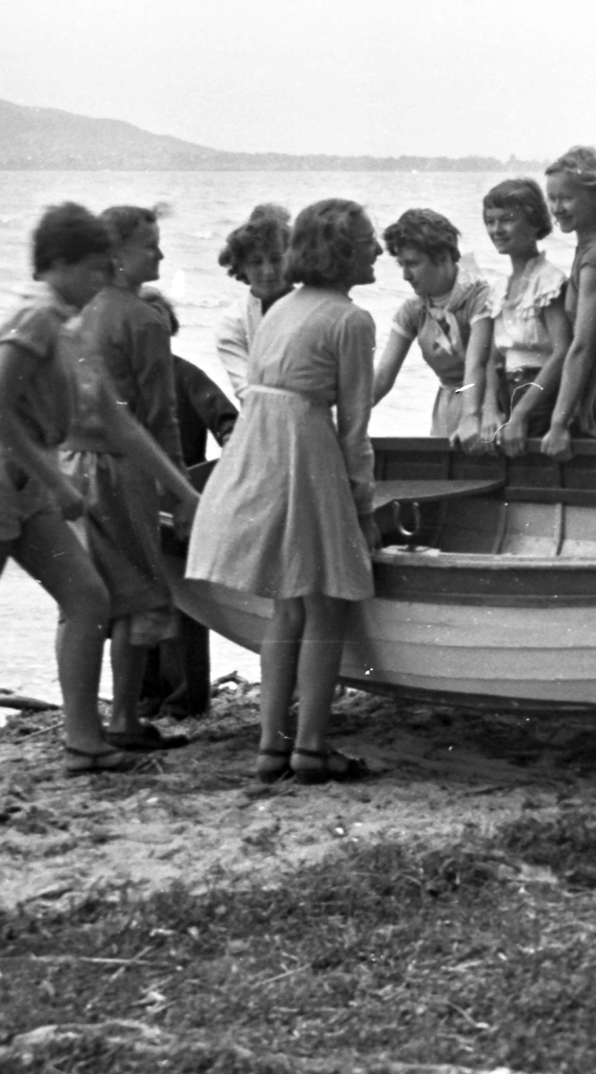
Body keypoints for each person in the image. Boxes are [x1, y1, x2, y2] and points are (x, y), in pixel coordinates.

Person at [185, 199, 384, 785]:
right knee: (326, 600)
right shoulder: (352, 320)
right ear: (345, 254)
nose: (376, 251)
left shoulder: (280, 309)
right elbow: (354, 429)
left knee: (286, 605)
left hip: (258, 448)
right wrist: (363, 508)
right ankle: (312, 747)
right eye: (369, 242)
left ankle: (272, 744)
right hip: (304, 451)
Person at [0, 203, 200, 774]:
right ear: (57, 263)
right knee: (88, 599)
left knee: (89, 598)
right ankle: (87, 736)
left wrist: (182, 492)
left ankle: (85, 740)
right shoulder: (36, 317)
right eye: (92, 269)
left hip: (30, 488)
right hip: (11, 484)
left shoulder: (70, 324)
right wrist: (54, 478)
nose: (100, 279)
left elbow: (117, 422)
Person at [63, 204, 187, 752]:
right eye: (150, 246)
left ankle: (84, 720)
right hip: (121, 468)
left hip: (69, 466)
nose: (160, 254)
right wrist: (181, 490)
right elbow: (160, 418)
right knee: (138, 591)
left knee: (88, 595)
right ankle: (125, 719)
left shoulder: (77, 312)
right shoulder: (142, 320)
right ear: (117, 255)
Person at [137, 290, 237, 721]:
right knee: (138, 602)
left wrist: (212, 483)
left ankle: (185, 701)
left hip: (180, 509)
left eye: (159, 330)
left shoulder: (185, 376)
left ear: (171, 332)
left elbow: (230, 425)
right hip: (134, 504)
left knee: (183, 606)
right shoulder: (123, 383)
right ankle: (146, 697)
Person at [521, 146, 596, 461]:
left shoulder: (595, 259)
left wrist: (558, 423)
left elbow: (582, 346)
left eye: (566, 198)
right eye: (552, 199)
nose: (557, 208)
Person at [372, 209, 493, 446]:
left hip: (484, 407)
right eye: (401, 265)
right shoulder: (414, 310)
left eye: (413, 263)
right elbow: (383, 376)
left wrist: (471, 416)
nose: (406, 275)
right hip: (447, 406)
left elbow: (475, 364)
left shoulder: (480, 298)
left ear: (442, 257)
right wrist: (349, 420)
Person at [479, 179, 571, 453]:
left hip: (541, 396)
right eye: (490, 221)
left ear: (533, 221)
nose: (497, 230)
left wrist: (521, 414)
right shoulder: (500, 289)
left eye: (507, 220)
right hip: (505, 393)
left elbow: (563, 350)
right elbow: (493, 359)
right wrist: (489, 409)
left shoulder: (549, 281)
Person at [215, 204, 293, 397]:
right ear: (241, 266)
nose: (268, 271)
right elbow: (245, 391)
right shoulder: (233, 323)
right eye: (256, 262)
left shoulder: (315, 309)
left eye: (276, 259)